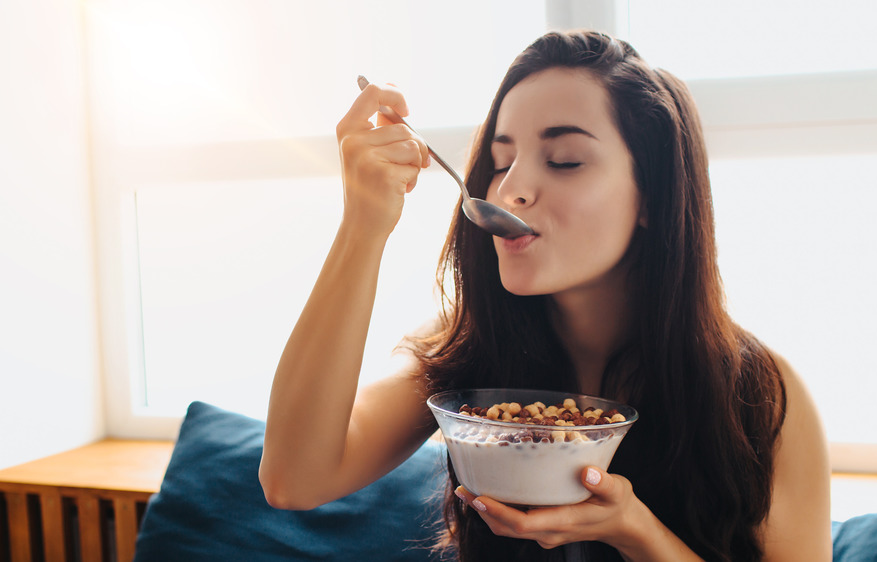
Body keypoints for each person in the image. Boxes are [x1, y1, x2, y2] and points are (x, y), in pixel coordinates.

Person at [259, 30, 831, 562]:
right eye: (501, 160)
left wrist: (633, 529)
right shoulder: (463, 347)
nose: (510, 188)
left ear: (654, 197)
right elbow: (294, 478)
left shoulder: (757, 395)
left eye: (564, 161)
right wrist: (364, 224)